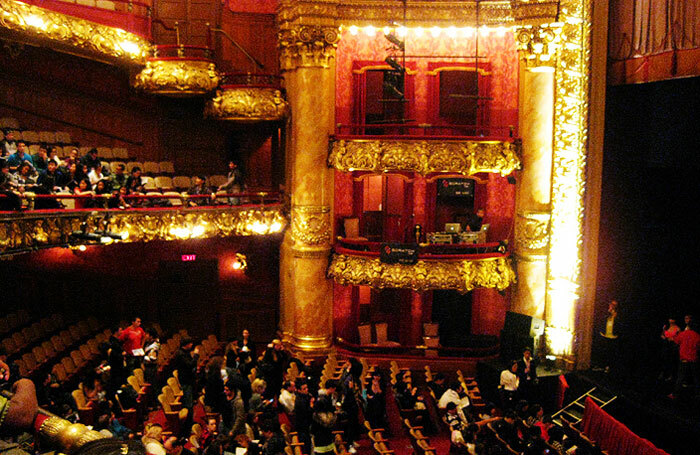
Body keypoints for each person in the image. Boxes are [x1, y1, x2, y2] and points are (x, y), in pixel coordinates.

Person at [669, 319, 700, 399]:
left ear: (688, 326)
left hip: (684, 360)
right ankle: (697, 394)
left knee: (680, 378)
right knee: (696, 378)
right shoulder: (697, 336)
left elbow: (675, 341)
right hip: (694, 360)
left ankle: (675, 395)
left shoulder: (683, 334)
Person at [172, 337, 199, 410]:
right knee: (188, 402)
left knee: (189, 400)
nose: (191, 345)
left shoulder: (185, 352)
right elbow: (190, 365)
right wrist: (196, 355)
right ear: (186, 344)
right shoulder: (181, 354)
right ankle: (189, 420)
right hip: (185, 379)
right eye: (190, 343)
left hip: (188, 378)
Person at [597, 300, 622, 373]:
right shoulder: (607, 313)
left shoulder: (617, 315)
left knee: (611, 353)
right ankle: (603, 366)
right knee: (604, 352)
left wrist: (615, 315)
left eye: (614, 305)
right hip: (605, 336)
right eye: (611, 304)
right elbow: (602, 320)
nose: (612, 306)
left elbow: (619, 325)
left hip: (613, 337)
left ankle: (610, 368)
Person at [660, 317, 681, 382]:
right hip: (666, 346)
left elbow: (679, 339)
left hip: (673, 346)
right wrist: (664, 335)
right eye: (670, 319)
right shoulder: (666, 327)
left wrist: (673, 339)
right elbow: (662, 335)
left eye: (672, 319)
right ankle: (664, 374)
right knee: (665, 360)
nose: (670, 320)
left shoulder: (677, 328)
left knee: (672, 361)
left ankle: (672, 375)